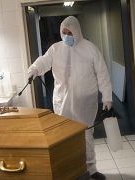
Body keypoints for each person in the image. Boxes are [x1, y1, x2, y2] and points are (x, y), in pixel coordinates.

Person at [27, 16, 112, 180]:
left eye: (70, 32)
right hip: (62, 101)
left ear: (77, 31)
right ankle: (70, 169)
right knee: (64, 136)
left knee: (86, 135)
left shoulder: (90, 48)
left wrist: (107, 97)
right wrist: (34, 70)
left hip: (85, 102)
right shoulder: (56, 49)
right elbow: (44, 61)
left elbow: (102, 74)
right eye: (64, 32)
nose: (66, 36)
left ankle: (91, 169)